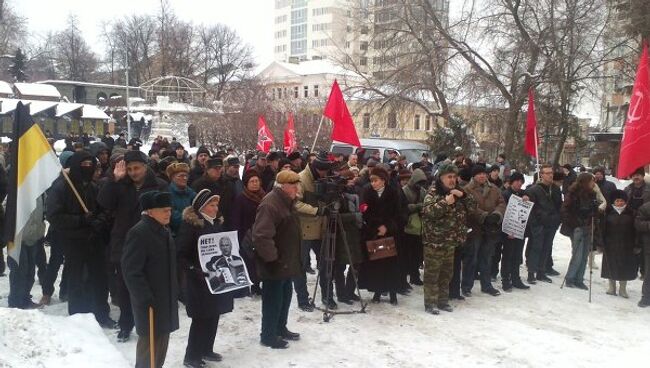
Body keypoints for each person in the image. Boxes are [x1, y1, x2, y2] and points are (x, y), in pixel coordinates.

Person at [98, 150, 168, 342]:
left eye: (136, 168)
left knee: (147, 286)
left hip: (150, 243)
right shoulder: (120, 184)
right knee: (124, 287)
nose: (133, 172)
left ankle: (148, 323)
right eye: (129, 169)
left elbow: (166, 213)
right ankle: (126, 323)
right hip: (124, 243)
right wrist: (114, 180)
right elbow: (103, 203)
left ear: (145, 166)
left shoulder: (159, 185)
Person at [45, 151, 114, 327]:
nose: (87, 168)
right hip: (73, 241)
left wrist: (98, 221)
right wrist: (80, 220)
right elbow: (54, 216)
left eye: (90, 165)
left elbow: (103, 209)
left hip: (95, 240)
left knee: (99, 278)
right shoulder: (61, 187)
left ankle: (101, 313)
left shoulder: (93, 187)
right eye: (83, 165)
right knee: (77, 279)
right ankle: (78, 317)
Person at [177, 189, 234, 367]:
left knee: (214, 314)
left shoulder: (217, 223)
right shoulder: (190, 225)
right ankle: (192, 356)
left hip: (216, 279)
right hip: (198, 280)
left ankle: (206, 349)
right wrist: (195, 271)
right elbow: (181, 255)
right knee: (201, 318)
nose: (216, 208)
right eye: (211, 205)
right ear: (201, 207)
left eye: (216, 204)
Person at [122, 191, 178, 368]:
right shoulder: (139, 233)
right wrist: (145, 297)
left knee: (162, 342)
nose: (168, 213)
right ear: (150, 211)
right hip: (150, 302)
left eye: (169, 210)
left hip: (164, 298)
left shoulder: (163, 229)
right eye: (164, 210)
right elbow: (131, 271)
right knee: (149, 347)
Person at [252, 170, 303, 349]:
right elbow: (261, 236)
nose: (297, 188)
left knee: (285, 297)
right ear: (283, 187)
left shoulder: (287, 202)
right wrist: (272, 260)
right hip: (275, 263)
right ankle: (268, 335)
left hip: (286, 261)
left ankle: (280, 328)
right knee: (273, 300)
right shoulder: (270, 204)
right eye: (294, 185)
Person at [421, 164, 475, 314]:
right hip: (434, 242)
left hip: (451, 242)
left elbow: (473, 207)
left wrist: (463, 196)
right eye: (449, 177)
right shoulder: (432, 193)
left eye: (454, 177)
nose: (452, 180)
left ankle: (442, 301)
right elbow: (428, 212)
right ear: (441, 178)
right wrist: (446, 202)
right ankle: (430, 303)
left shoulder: (458, 192)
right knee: (432, 275)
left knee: (446, 274)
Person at [358, 167, 402, 305]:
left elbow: (398, 213)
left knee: (390, 264)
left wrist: (387, 226)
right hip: (374, 233)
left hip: (390, 233)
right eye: (371, 181)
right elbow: (365, 212)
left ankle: (393, 293)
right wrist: (377, 226)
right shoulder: (367, 193)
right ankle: (377, 291)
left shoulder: (393, 193)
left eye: (376, 180)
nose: (373, 183)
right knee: (377, 263)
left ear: (383, 180)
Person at [294, 152, 331, 310]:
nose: (324, 173)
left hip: (322, 228)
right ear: (316, 168)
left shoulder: (325, 177)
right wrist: (315, 210)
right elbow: (295, 203)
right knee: (301, 265)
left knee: (325, 264)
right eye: (322, 170)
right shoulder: (301, 178)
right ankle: (303, 299)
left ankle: (327, 296)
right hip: (305, 228)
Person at [463, 165, 506, 296]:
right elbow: (468, 207)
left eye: (484, 173)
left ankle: (486, 285)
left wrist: (497, 214)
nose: (482, 176)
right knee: (471, 258)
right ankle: (466, 286)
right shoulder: (467, 189)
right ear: (474, 176)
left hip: (490, 229)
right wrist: (484, 216)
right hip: (474, 228)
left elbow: (502, 203)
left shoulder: (494, 188)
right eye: (479, 174)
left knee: (487, 258)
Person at [525, 164, 562, 284]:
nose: (550, 175)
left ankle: (541, 272)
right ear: (541, 175)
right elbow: (530, 208)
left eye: (551, 173)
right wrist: (535, 223)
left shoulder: (556, 189)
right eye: (547, 173)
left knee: (546, 248)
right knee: (536, 248)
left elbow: (559, 206)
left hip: (551, 225)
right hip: (538, 225)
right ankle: (531, 273)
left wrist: (557, 220)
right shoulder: (533, 190)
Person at [561, 173, 598, 290]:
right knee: (577, 254)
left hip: (588, 226)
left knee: (585, 255)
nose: (594, 184)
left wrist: (595, 211)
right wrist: (575, 222)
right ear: (585, 181)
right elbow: (565, 210)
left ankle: (579, 279)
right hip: (577, 227)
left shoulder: (592, 194)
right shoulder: (573, 194)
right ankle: (570, 278)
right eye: (592, 181)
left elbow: (593, 211)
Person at [7, 197, 46, 310]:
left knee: (30, 271)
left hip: (33, 237)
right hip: (17, 238)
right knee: (19, 271)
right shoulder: (18, 190)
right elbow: (7, 210)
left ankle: (24, 298)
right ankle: (16, 301)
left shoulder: (41, 193)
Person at [231, 170, 266, 295]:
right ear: (246, 184)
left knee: (262, 261)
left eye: (257, 181)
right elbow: (236, 219)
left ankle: (260, 284)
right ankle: (252, 286)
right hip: (246, 235)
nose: (255, 184)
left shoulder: (265, 196)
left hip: (262, 234)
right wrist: (238, 237)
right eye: (252, 181)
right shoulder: (241, 198)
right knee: (250, 262)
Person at [600, 190, 639, 298]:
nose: (620, 203)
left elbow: (636, 231)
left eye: (622, 201)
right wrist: (600, 243)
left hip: (627, 245)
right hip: (610, 244)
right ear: (613, 202)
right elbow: (602, 229)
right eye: (617, 201)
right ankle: (611, 287)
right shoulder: (607, 213)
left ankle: (623, 289)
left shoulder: (632, 213)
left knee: (624, 267)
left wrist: (636, 244)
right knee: (610, 265)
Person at [500, 172, 531, 291]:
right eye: (517, 181)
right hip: (508, 231)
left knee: (517, 255)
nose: (519, 183)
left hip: (520, 230)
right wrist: (508, 230)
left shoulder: (523, 193)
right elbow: (504, 212)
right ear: (511, 182)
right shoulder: (506, 194)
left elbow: (528, 204)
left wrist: (527, 199)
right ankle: (505, 279)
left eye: (521, 181)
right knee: (508, 255)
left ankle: (516, 278)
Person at [401, 168, 427, 286]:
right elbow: (404, 207)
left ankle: (414, 275)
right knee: (408, 254)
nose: (420, 185)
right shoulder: (405, 191)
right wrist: (418, 206)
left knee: (417, 254)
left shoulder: (422, 191)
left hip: (419, 227)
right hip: (408, 226)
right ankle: (408, 275)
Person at [192, 158, 234, 230]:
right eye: (215, 168)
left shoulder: (227, 184)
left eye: (220, 168)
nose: (218, 171)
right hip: (206, 223)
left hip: (227, 221)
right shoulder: (198, 185)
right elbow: (196, 206)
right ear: (207, 170)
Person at [167, 162, 196, 237]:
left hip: (192, 233)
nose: (185, 178)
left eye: (186, 176)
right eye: (181, 176)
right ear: (172, 178)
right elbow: (172, 216)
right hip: (176, 235)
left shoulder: (191, 193)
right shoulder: (167, 194)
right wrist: (192, 219)